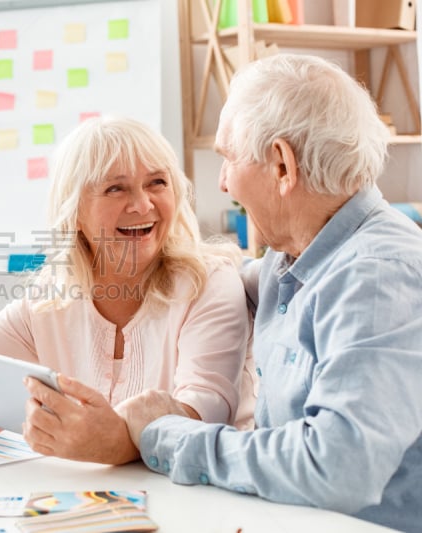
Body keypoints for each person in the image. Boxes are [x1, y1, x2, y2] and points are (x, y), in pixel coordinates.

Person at [118, 53, 422, 532]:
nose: (222, 182)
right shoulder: (293, 257)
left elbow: (336, 466)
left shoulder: (381, 276)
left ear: (282, 165)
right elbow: (222, 280)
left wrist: (169, 435)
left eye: (227, 157)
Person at [0, 116, 255, 465]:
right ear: (76, 212)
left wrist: (113, 442)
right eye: (116, 188)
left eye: (157, 183)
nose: (143, 205)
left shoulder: (207, 281)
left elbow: (205, 414)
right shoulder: (52, 295)